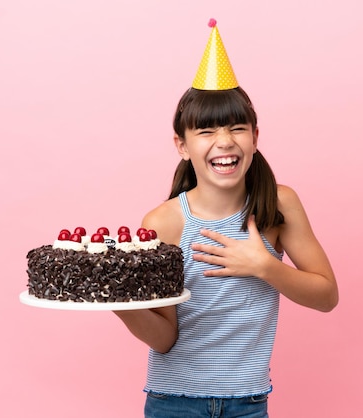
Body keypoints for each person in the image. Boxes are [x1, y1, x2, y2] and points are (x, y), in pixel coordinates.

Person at [114, 20, 338, 418]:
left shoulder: (278, 206)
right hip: (173, 403)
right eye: (206, 131)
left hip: (248, 403)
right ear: (182, 145)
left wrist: (265, 266)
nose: (225, 141)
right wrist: (119, 304)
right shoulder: (165, 223)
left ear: (255, 135)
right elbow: (164, 339)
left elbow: (326, 296)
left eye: (237, 128)